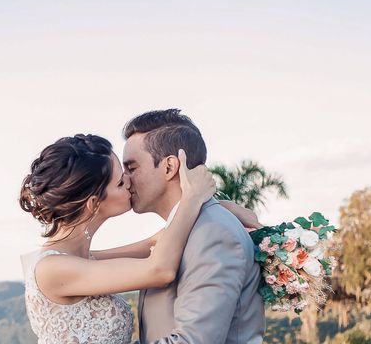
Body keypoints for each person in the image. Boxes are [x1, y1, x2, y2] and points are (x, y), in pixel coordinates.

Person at [19, 133, 260, 344]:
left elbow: (155, 242)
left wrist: (217, 206)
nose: (129, 182)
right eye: (121, 181)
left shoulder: (75, 259)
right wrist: (192, 198)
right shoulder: (53, 268)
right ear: (94, 204)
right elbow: (159, 269)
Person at [123, 109, 266, 343]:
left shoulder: (213, 232)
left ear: (169, 167)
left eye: (132, 168)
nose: (125, 180)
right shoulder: (185, 229)